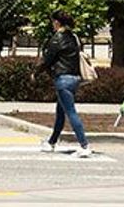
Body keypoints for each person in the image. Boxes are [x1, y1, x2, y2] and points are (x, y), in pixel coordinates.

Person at [36, 10, 92, 158]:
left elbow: (48, 59)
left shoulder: (57, 38)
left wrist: (35, 73)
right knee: (61, 113)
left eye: (52, 22)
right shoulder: (73, 37)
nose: (52, 25)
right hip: (74, 79)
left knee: (71, 112)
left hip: (63, 80)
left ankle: (84, 145)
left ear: (56, 22)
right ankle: (51, 142)